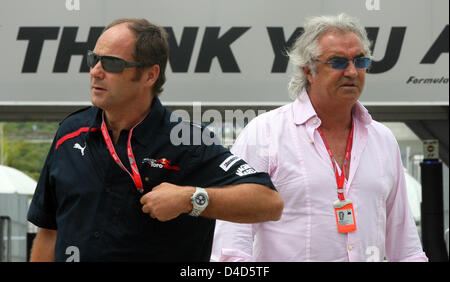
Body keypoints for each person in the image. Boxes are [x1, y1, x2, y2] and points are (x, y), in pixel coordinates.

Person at [27, 18, 283, 262]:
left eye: (112, 63)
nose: (95, 71)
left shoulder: (187, 141)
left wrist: (190, 199)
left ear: (150, 75)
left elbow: (269, 202)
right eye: (93, 59)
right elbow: (49, 231)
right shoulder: (70, 132)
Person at [211, 13, 428, 262]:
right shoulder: (265, 133)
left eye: (360, 61)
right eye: (337, 62)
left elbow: (405, 245)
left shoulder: (383, 140)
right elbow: (231, 243)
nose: (352, 72)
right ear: (308, 71)